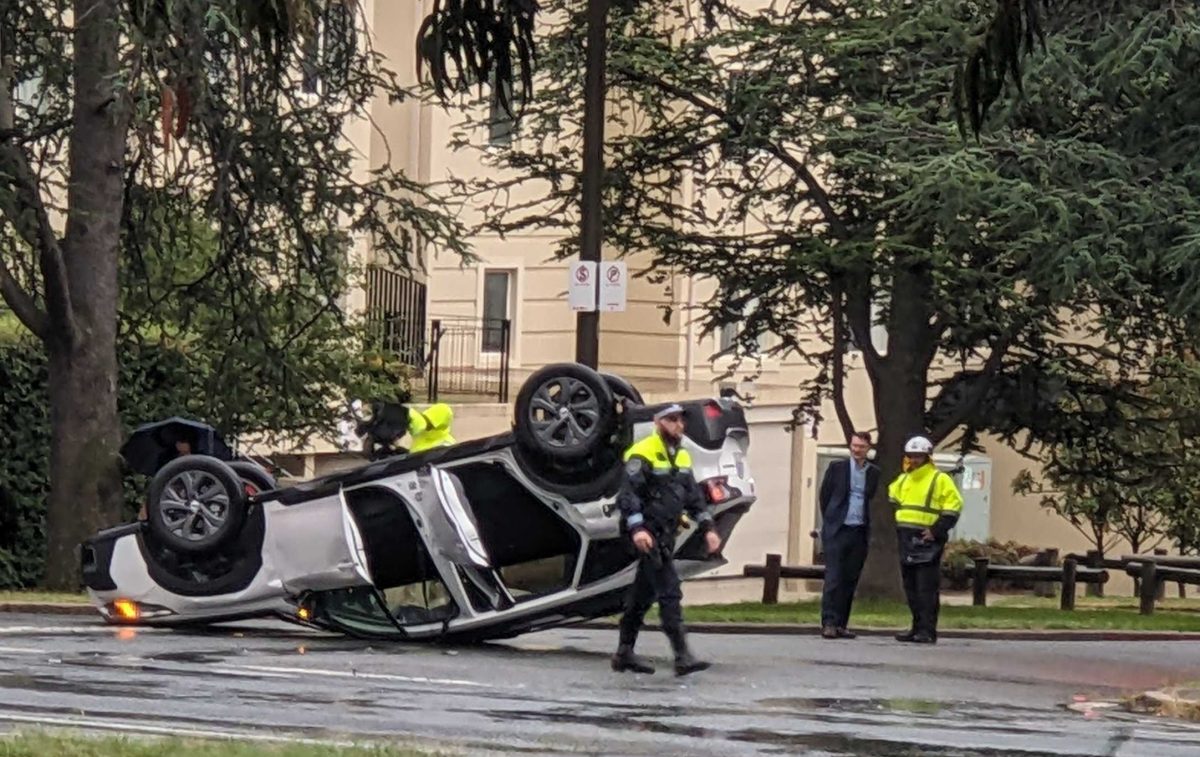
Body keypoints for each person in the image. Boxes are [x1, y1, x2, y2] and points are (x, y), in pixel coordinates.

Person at [612, 403, 722, 677]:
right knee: (669, 590)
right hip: (646, 535)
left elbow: (694, 498)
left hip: (665, 534)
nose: (679, 425)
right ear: (657, 422)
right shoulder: (642, 452)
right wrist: (638, 529)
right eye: (672, 420)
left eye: (680, 421)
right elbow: (629, 496)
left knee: (642, 594)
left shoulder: (682, 457)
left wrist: (708, 527)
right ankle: (682, 656)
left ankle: (624, 652)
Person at [888, 435, 964, 644]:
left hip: (926, 538)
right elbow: (893, 499)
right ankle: (916, 627)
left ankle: (927, 630)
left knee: (926, 588)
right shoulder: (903, 479)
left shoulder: (939, 479)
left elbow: (953, 506)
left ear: (927, 457)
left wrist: (937, 530)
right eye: (911, 456)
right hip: (906, 537)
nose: (914, 460)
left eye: (918, 456)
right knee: (911, 587)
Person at [817, 431, 880, 639]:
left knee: (850, 579)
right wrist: (830, 520)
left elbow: (870, 499)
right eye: (853, 446)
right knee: (834, 577)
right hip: (838, 529)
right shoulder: (837, 468)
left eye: (860, 446)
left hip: (859, 530)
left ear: (868, 448)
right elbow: (824, 495)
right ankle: (829, 622)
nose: (856, 450)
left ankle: (842, 624)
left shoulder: (873, 472)